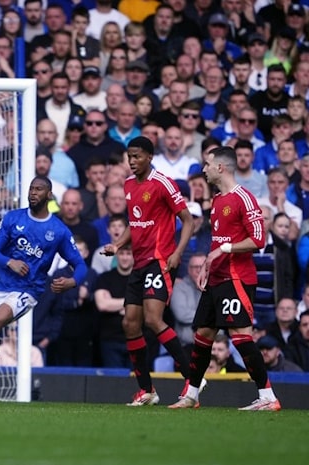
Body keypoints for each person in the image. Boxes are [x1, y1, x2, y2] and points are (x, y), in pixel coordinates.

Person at [0, 176, 88, 401]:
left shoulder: (58, 231)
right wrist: (9, 262)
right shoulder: (13, 218)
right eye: (31, 188)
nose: (33, 193)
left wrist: (72, 282)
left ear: (49, 195)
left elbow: (80, 265)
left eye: (39, 189)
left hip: (27, 291)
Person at [170, 146, 281, 411]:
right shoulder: (218, 200)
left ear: (220, 167)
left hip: (237, 278)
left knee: (240, 336)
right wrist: (208, 265)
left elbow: (258, 239)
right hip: (216, 279)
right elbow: (218, 240)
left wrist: (224, 249)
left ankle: (268, 397)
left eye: (207, 164)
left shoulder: (244, 198)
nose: (203, 169)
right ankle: (191, 395)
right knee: (202, 334)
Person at [102, 136, 195, 406]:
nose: (132, 161)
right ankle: (147, 390)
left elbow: (188, 220)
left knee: (153, 319)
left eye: (137, 156)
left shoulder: (163, 183)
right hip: (139, 263)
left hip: (161, 260)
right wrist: (117, 245)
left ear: (150, 157)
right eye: (129, 156)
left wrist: (177, 253)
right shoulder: (129, 184)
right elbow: (135, 222)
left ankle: (193, 378)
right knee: (130, 323)